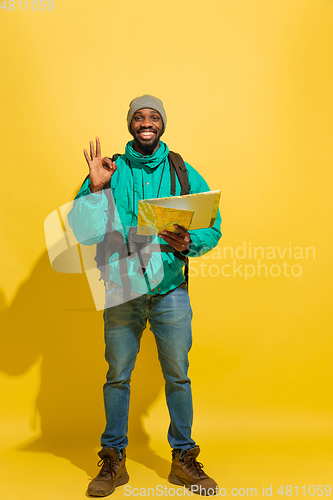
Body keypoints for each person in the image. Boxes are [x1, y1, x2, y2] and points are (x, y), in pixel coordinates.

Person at [68, 95, 222, 497]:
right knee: (117, 376)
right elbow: (84, 233)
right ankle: (113, 459)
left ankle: (183, 459)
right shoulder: (109, 170)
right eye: (139, 117)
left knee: (178, 376)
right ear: (130, 125)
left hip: (171, 289)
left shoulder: (184, 172)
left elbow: (213, 227)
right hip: (122, 289)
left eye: (154, 116)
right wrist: (96, 190)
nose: (146, 122)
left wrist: (190, 240)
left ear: (163, 124)